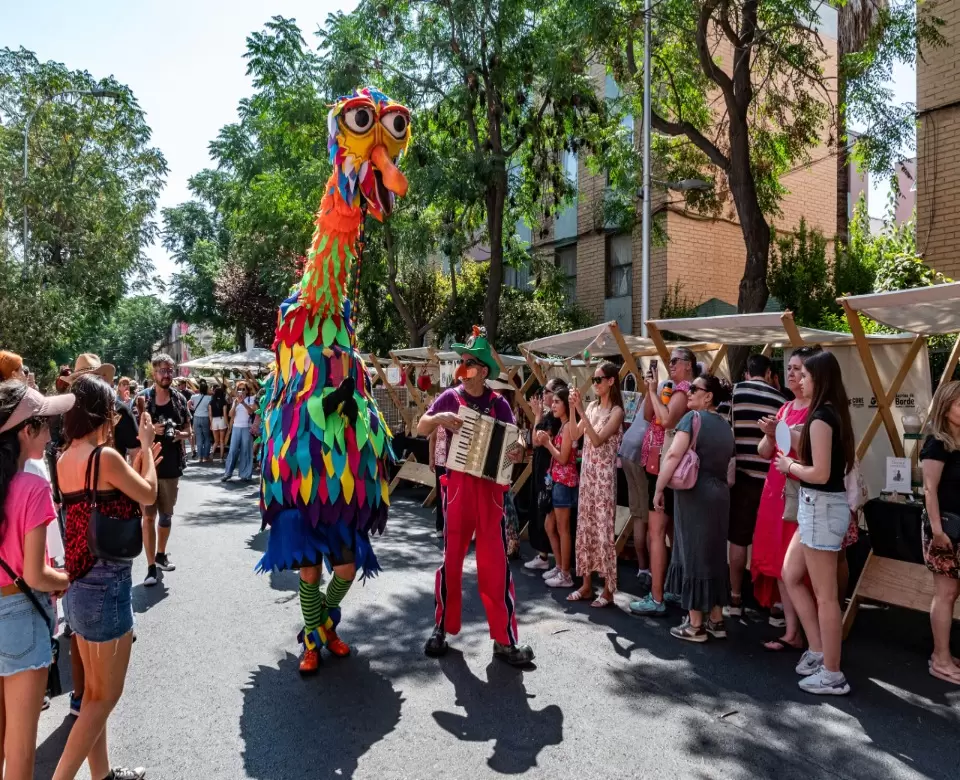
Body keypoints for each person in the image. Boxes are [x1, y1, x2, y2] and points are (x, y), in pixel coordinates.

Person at [53, 374, 158, 780]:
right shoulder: (105, 458)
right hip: (108, 588)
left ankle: (103, 776)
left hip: (79, 586)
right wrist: (146, 451)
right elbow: (147, 495)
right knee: (103, 700)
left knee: (93, 698)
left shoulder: (63, 459)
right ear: (102, 412)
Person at [419, 326, 531, 666]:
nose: (462, 369)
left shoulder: (499, 404)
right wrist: (438, 417)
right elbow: (422, 426)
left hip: (490, 493)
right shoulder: (450, 398)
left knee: (495, 567)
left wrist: (519, 449)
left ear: (483, 371)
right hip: (457, 490)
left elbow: (518, 443)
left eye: (469, 363)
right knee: (451, 562)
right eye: (462, 362)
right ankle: (441, 627)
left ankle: (504, 640)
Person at [0, 381, 74, 780]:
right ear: (26, 431)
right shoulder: (32, 487)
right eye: (45, 425)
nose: (51, 434)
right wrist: (65, 576)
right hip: (18, 617)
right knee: (20, 752)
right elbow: (35, 573)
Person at [777, 350, 854, 696]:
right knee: (791, 574)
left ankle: (832, 672)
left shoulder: (823, 416)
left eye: (805, 375)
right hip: (817, 506)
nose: (800, 380)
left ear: (819, 379)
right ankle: (819, 651)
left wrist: (789, 467)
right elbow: (816, 454)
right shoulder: (828, 415)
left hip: (820, 505)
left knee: (826, 597)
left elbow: (820, 472)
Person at [649, 374, 735, 641]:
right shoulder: (725, 425)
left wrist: (659, 487)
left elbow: (674, 454)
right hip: (720, 494)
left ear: (708, 396)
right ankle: (716, 620)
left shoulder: (692, 419)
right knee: (715, 555)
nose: (687, 392)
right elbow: (731, 472)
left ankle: (695, 624)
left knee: (693, 553)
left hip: (695, 493)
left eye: (694, 389)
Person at [751, 347, 817, 651]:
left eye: (797, 368)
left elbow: (813, 451)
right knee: (779, 562)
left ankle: (809, 634)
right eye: (788, 368)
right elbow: (764, 452)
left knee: (801, 568)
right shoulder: (786, 407)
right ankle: (792, 631)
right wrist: (769, 432)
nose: (791, 374)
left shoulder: (817, 410)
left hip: (800, 490)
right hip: (776, 489)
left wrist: (783, 432)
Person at [631, 347, 699, 615]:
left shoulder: (684, 391)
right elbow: (649, 415)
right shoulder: (673, 389)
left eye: (675, 361)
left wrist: (654, 393)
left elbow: (666, 419)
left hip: (665, 466)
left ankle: (657, 596)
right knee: (669, 531)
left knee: (656, 532)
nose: (670, 365)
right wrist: (653, 388)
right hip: (659, 465)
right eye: (668, 361)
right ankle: (671, 588)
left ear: (689, 365)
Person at [726, 354, 786, 617]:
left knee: (738, 539)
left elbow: (725, 427)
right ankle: (773, 604)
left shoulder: (735, 392)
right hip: (771, 481)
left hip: (741, 477)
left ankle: (735, 597)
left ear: (747, 372)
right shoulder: (781, 401)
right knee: (772, 542)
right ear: (769, 371)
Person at [567, 362, 624, 608]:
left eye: (599, 379)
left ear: (611, 381)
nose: (595, 383)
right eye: (594, 379)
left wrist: (580, 410)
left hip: (603, 478)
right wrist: (573, 409)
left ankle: (609, 589)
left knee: (603, 531)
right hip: (588, 475)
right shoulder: (590, 407)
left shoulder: (617, 411)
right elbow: (573, 436)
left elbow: (599, 440)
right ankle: (587, 584)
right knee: (585, 528)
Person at [919, 380, 960, 684]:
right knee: (945, 593)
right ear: (945, 408)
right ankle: (941, 659)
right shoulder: (937, 442)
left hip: (955, 526)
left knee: (951, 592)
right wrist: (936, 531)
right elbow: (929, 489)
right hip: (945, 528)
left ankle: (942, 654)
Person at [139, 354, 190, 587]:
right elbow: (131, 436)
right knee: (148, 517)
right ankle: (150, 567)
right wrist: (150, 432)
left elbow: (189, 431)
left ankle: (161, 554)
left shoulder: (179, 399)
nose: (166, 374)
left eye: (170, 370)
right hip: (148, 467)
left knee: (166, 516)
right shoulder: (142, 401)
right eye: (162, 370)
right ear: (153, 373)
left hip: (170, 467)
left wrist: (179, 434)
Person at [534, 386, 578, 588]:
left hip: (564, 481)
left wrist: (547, 443)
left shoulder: (568, 426)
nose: (553, 405)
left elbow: (563, 458)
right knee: (550, 526)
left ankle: (566, 573)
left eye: (557, 402)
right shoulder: (563, 425)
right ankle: (560, 566)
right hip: (556, 481)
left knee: (563, 528)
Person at [524, 378, 568, 573]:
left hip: (550, 470)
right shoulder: (550, 415)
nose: (543, 394)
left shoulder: (555, 418)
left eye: (546, 391)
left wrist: (537, 415)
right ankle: (547, 557)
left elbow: (537, 440)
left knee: (549, 517)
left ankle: (554, 561)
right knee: (541, 512)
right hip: (542, 466)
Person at [619, 393, 650, 584]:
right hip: (641, 453)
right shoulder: (672, 392)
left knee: (639, 515)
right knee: (649, 519)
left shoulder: (654, 391)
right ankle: (650, 571)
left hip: (627, 449)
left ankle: (643, 568)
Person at [221, 380, 258, 482]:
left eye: (243, 389)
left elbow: (251, 412)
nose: (241, 391)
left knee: (246, 451)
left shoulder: (251, 399)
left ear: (247, 390)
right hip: (236, 427)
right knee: (232, 450)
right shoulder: (235, 400)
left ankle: (245, 474)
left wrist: (243, 403)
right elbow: (230, 414)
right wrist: (237, 404)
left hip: (247, 427)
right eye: (239, 389)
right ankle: (228, 473)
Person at [190, 379, 214, 463]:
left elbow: (189, 404)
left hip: (196, 417)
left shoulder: (193, 397)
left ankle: (200, 457)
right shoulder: (209, 398)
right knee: (207, 437)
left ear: (199, 389)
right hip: (205, 417)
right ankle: (205, 457)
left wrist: (193, 409)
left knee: (199, 437)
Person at [210, 384, 227, 462]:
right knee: (222, 441)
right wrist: (227, 423)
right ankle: (221, 458)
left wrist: (211, 423)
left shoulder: (211, 402)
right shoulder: (224, 402)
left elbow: (210, 415)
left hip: (214, 420)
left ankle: (212, 453)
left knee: (216, 440)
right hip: (221, 419)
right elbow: (225, 414)